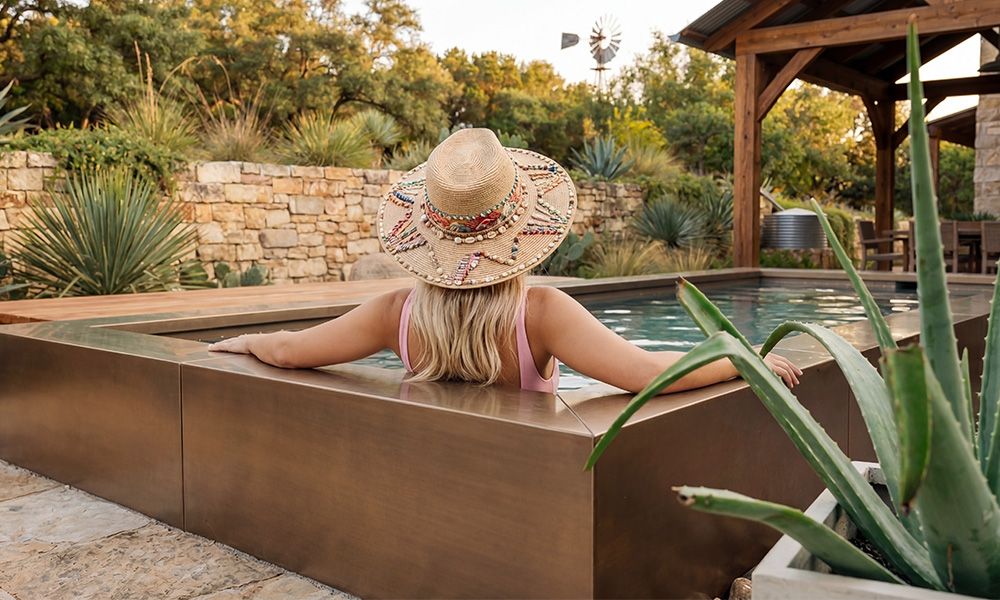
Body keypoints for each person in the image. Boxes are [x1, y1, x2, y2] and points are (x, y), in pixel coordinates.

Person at [209, 129, 801, 393]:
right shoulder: (540, 312)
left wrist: (247, 340)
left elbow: (289, 352)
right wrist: (740, 360)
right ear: (520, 227)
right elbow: (647, 374)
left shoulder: (395, 313)